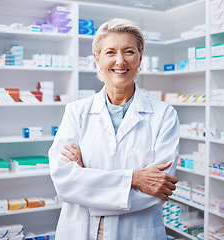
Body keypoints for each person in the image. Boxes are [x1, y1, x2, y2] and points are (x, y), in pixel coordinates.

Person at [49, 18, 179, 240]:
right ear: (97, 59)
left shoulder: (164, 115)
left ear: (140, 59)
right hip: (80, 231)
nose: (120, 61)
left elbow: (158, 191)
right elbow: (64, 182)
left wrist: (86, 178)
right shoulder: (76, 112)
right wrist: (135, 179)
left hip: (135, 232)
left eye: (128, 51)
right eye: (110, 52)